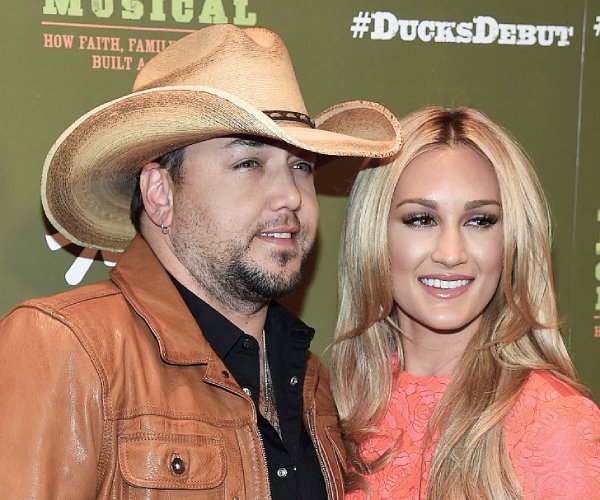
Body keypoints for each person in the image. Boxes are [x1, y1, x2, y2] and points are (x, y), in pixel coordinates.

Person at [0, 24, 402, 498]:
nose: (291, 195)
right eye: (249, 164)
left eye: (301, 167)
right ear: (160, 193)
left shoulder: (311, 380)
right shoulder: (67, 348)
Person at [330, 106, 600, 499]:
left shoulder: (554, 422)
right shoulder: (335, 409)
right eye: (421, 219)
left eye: (480, 221)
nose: (451, 252)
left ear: (511, 244)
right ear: (374, 235)